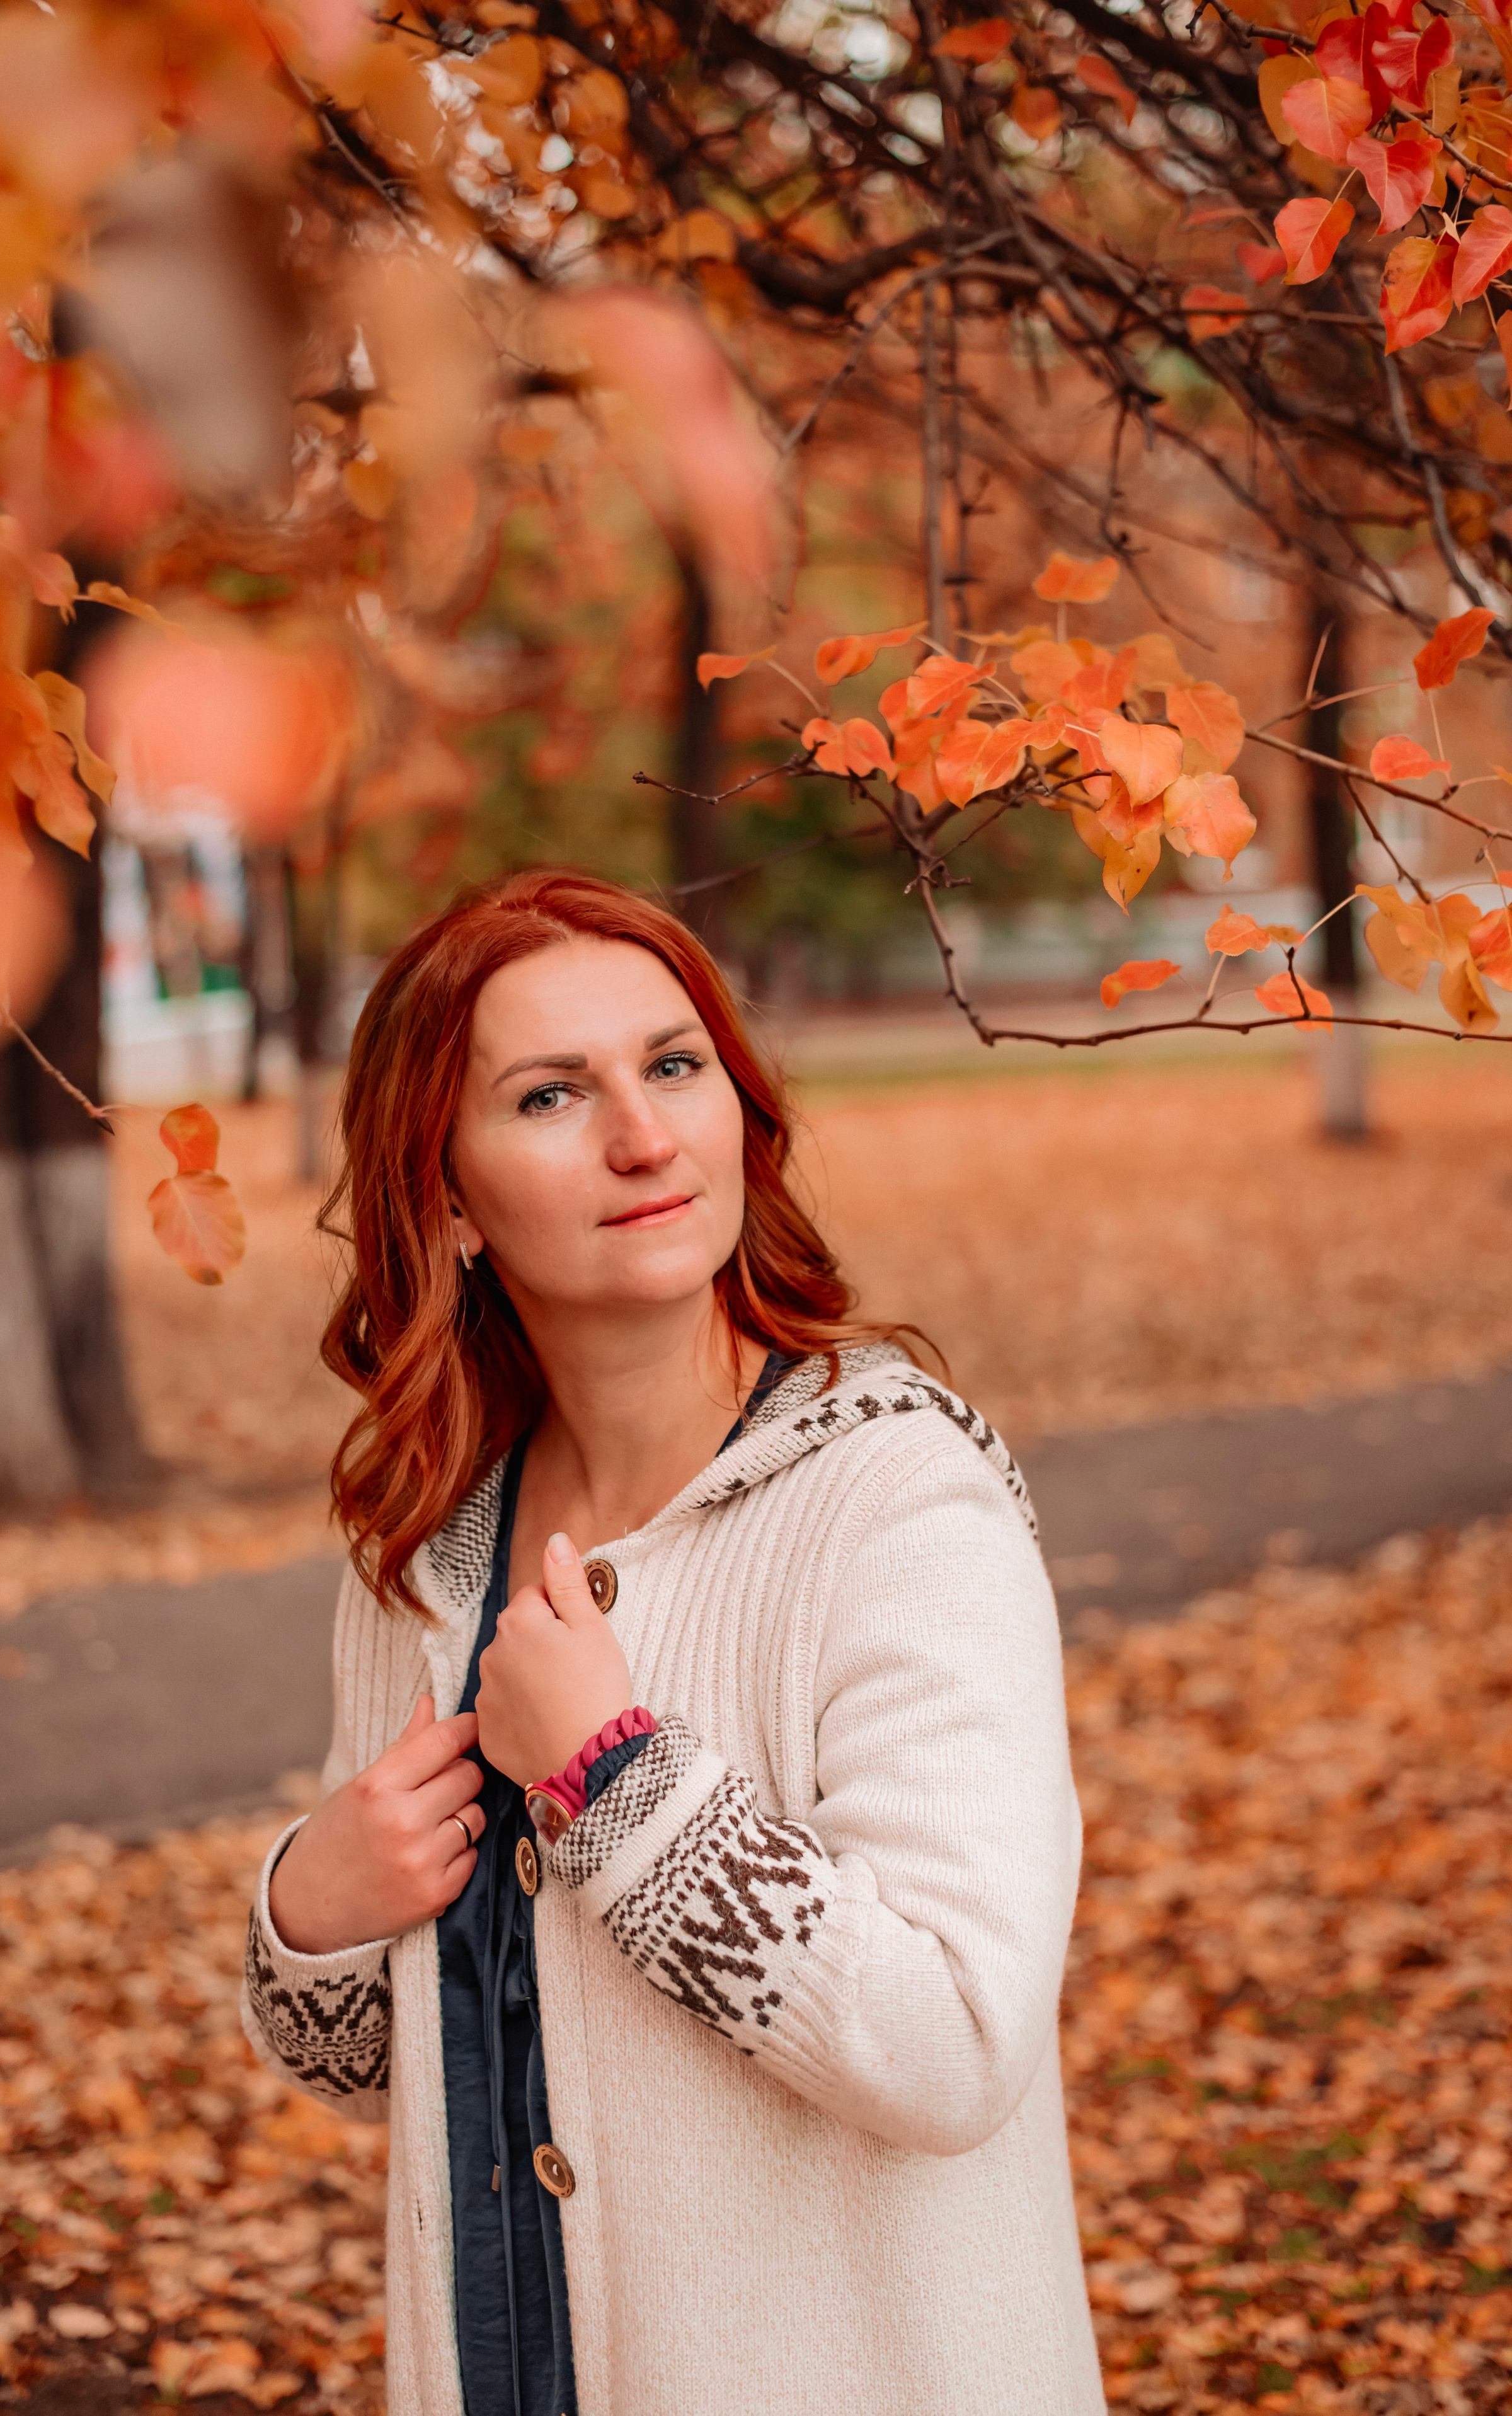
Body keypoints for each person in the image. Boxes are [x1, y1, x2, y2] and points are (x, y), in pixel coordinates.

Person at [243, 869, 1104, 2416]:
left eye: (672, 1064)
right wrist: (309, 1911)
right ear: (441, 1197)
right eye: (550, 1095)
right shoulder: (430, 1554)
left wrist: (610, 1773)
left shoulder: (893, 1500)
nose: (641, 1137)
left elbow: (954, 2045)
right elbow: (380, 2065)